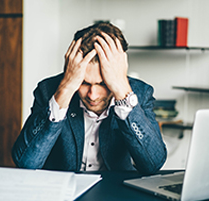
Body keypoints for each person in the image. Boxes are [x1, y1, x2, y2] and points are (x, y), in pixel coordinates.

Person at [11, 22, 167, 174]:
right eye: (84, 83)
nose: (93, 95)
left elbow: (153, 164)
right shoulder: (49, 90)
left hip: (114, 191)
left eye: (104, 84)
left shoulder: (140, 93)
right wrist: (65, 90)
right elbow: (26, 163)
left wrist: (122, 93)